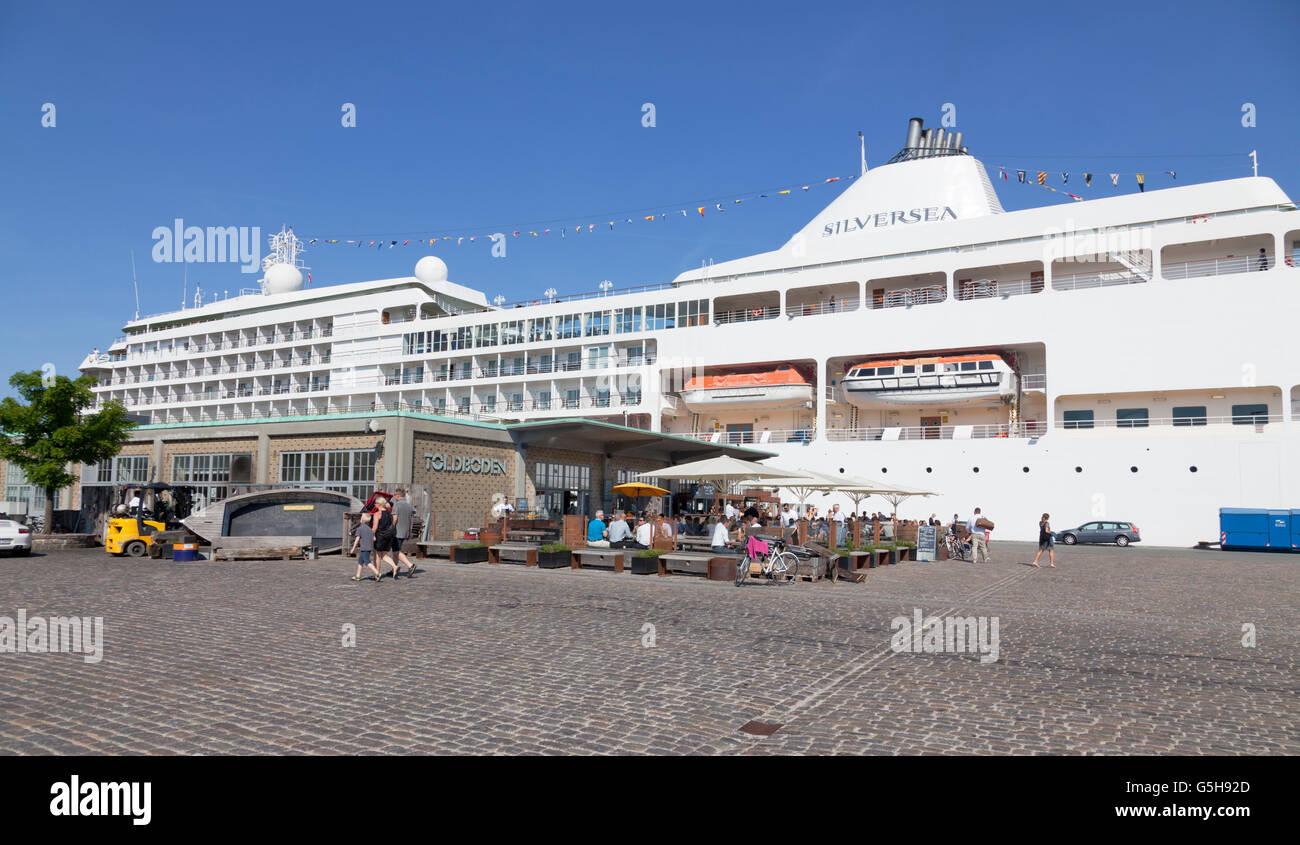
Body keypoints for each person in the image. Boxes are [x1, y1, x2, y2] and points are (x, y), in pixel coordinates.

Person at [371, 497, 402, 579]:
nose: (374, 505)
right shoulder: (389, 513)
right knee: (383, 555)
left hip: (380, 536)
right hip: (389, 536)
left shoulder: (377, 514)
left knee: (377, 556)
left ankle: (377, 575)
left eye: (375, 503)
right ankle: (394, 566)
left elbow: (375, 527)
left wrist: (370, 534)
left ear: (379, 504)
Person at [391, 487, 416, 577]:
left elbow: (395, 518)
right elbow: (411, 520)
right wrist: (410, 532)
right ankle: (394, 569)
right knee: (396, 550)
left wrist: (391, 528)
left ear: (397, 496)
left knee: (396, 551)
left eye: (395, 495)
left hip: (397, 531)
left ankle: (410, 565)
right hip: (405, 531)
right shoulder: (409, 506)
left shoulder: (397, 505)